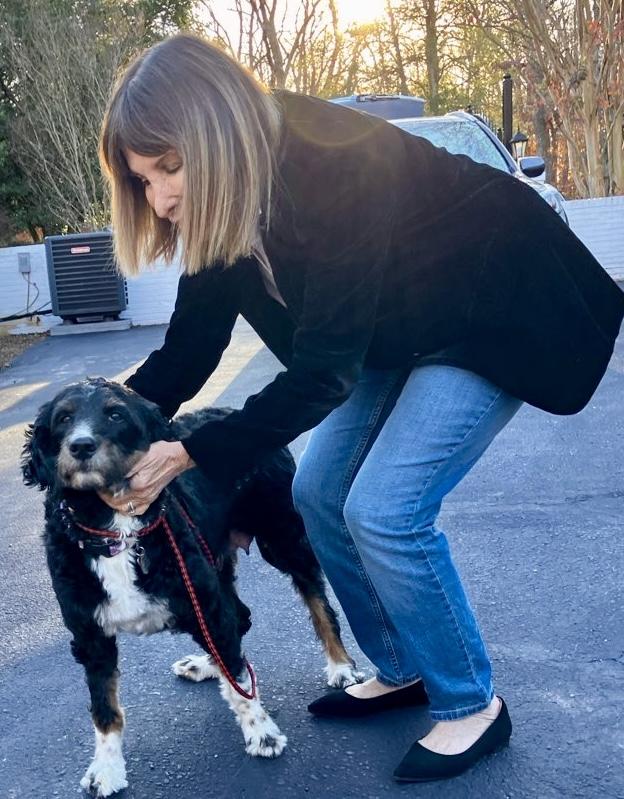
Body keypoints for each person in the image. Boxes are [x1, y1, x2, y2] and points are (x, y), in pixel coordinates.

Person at [97, 32, 624, 783]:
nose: (162, 198)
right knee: (316, 493)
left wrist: (188, 450)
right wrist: (99, 424)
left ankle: (472, 702)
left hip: (490, 312)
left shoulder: (330, 162)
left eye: (170, 168)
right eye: (145, 182)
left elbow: (320, 376)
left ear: (216, 132)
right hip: (393, 331)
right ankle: (403, 665)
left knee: (385, 507)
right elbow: (187, 353)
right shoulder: (218, 209)